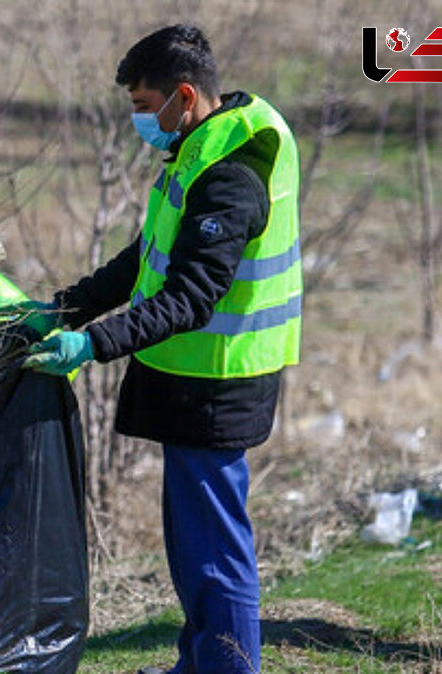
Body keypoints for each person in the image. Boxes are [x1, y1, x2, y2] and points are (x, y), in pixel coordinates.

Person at [16, 24, 301, 674]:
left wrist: (91, 343)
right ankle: (200, 664)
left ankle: (227, 670)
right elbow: (145, 259)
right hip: (192, 384)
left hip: (219, 387)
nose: (140, 121)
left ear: (183, 95)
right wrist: (62, 309)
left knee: (214, 553)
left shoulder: (232, 177)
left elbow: (190, 297)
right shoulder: (200, 150)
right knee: (191, 544)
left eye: (144, 107)